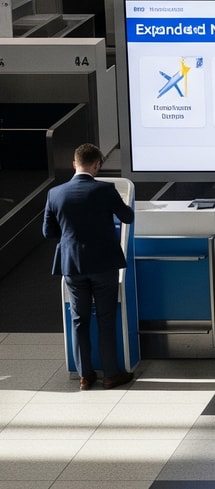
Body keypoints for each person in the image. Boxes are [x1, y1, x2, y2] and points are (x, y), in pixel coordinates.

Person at [42, 144, 136, 391]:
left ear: (74, 164)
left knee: (79, 319)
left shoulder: (55, 193)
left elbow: (48, 232)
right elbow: (127, 217)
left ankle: (85, 375)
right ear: (97, 165)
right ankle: (111, 375)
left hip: (72, 264)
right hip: (103, 264)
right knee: (106, 318)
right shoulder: (105, 190)